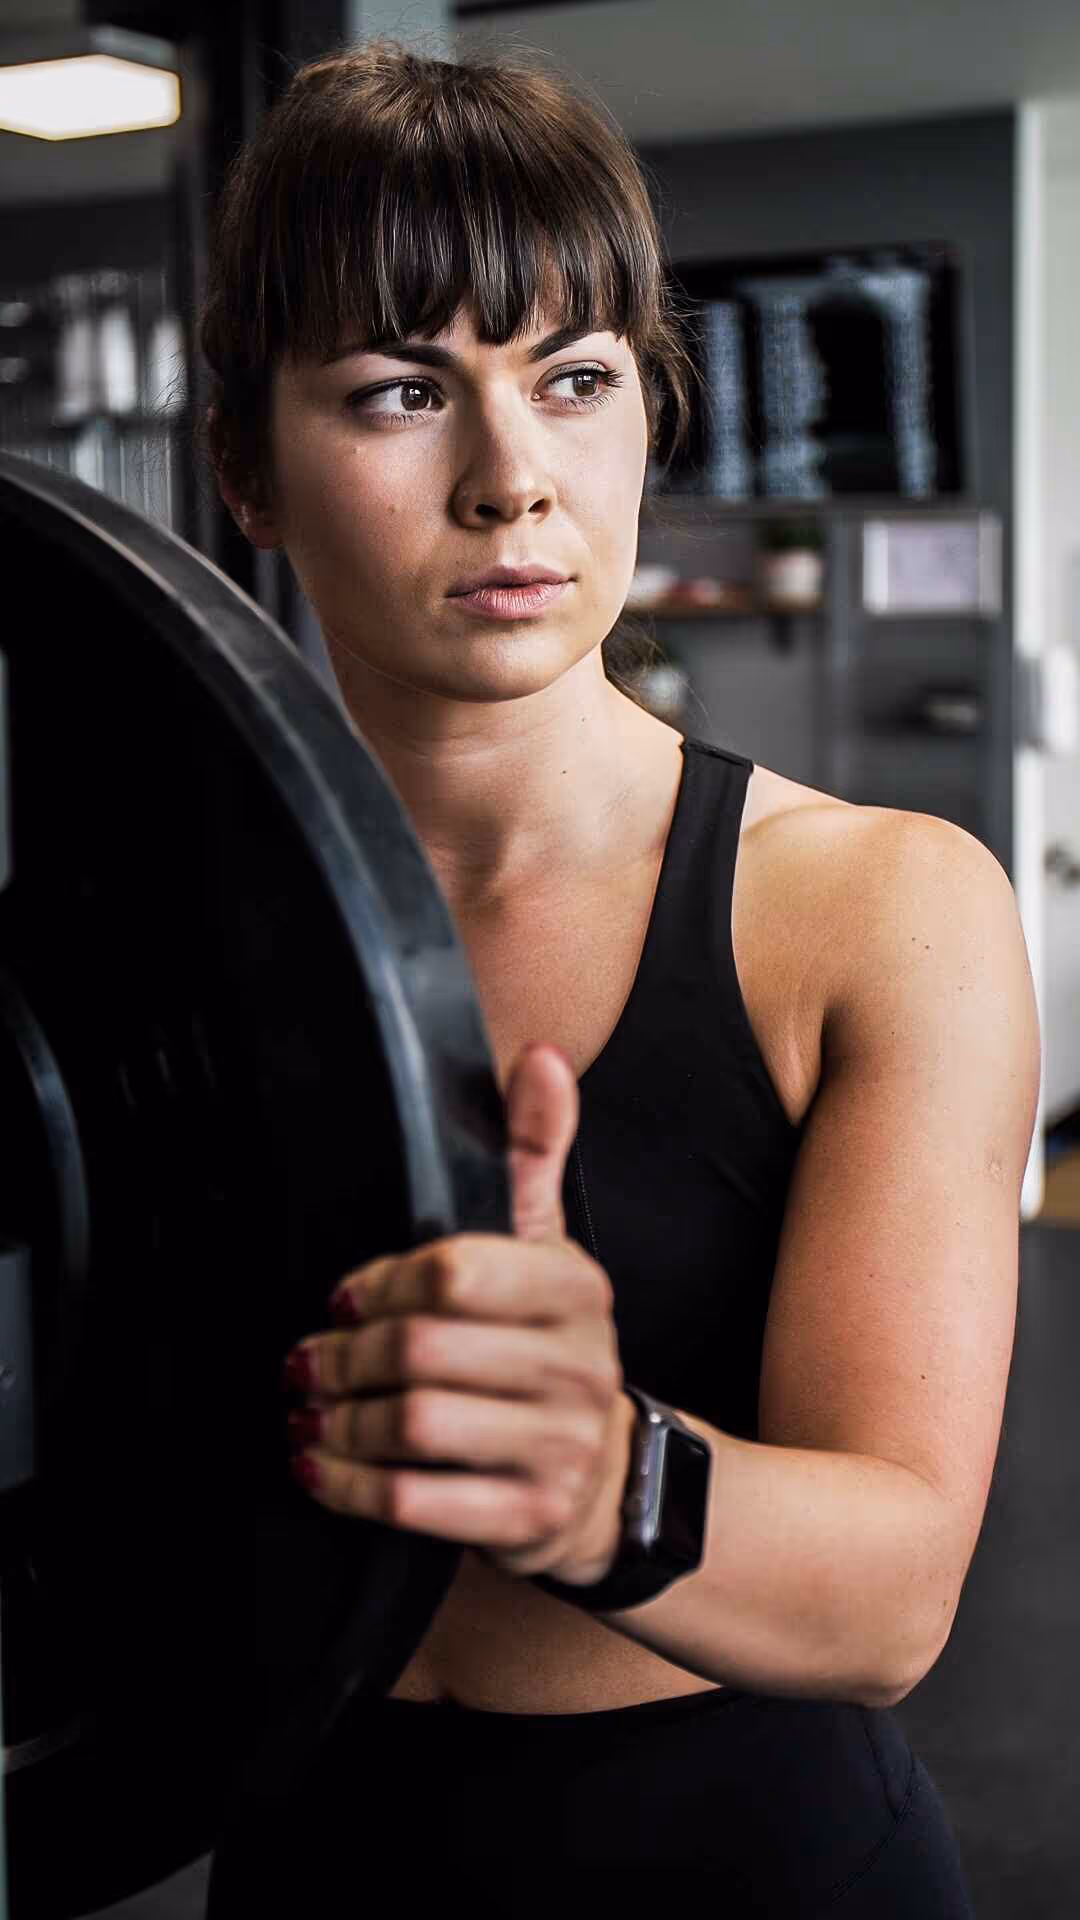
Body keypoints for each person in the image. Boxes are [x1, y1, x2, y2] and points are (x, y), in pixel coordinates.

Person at [199, 35, 1039, 1911]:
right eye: (402, 392)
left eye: (572, 380)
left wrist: (604, 1477)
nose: (512, 479)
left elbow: (896, 1591)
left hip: (753, 1863)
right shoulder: (169, 922)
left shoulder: (881, 906)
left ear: (646, 416)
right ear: (248, 467)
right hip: (308, 1857)